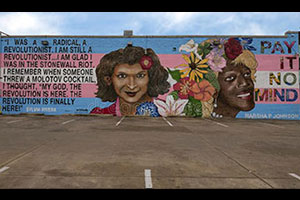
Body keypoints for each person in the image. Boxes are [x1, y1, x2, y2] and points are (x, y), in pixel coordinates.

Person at [90, 44, 170, 116]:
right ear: (109, 80)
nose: (131, 86)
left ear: (151, 77)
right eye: (122, 76)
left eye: (140, 75)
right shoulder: (101, 115)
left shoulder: (168, 110)